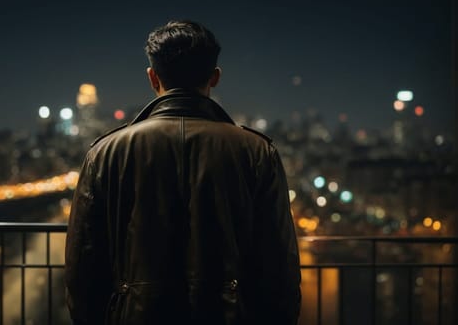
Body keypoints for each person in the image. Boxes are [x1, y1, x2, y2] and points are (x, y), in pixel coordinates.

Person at [65, 20, 301, 325]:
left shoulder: (106, 153)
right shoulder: (255, 152)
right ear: (214, 77)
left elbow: (82, 270)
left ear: (153, 77)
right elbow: (279, 266)